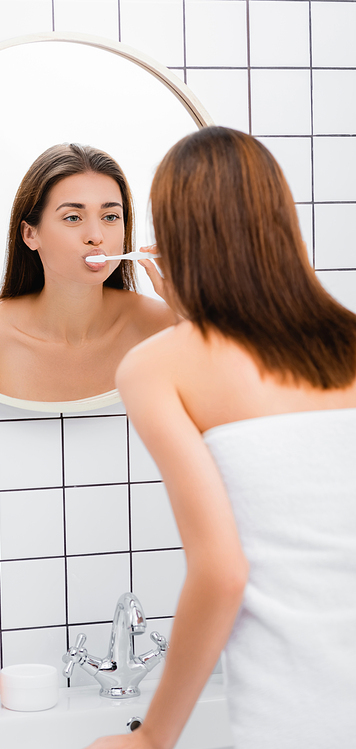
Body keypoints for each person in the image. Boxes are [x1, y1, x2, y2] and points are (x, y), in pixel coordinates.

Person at [87, 127, 356, 748]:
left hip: (303, 715)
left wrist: (153, 735)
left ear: (176, 234)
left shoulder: (156, 367)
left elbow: (222, 573)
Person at [0, 144, 175, 402]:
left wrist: (193, 312)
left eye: (110, 217)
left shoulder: (166, 328)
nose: (96, 237)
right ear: (30, 234)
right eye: (73, 217)